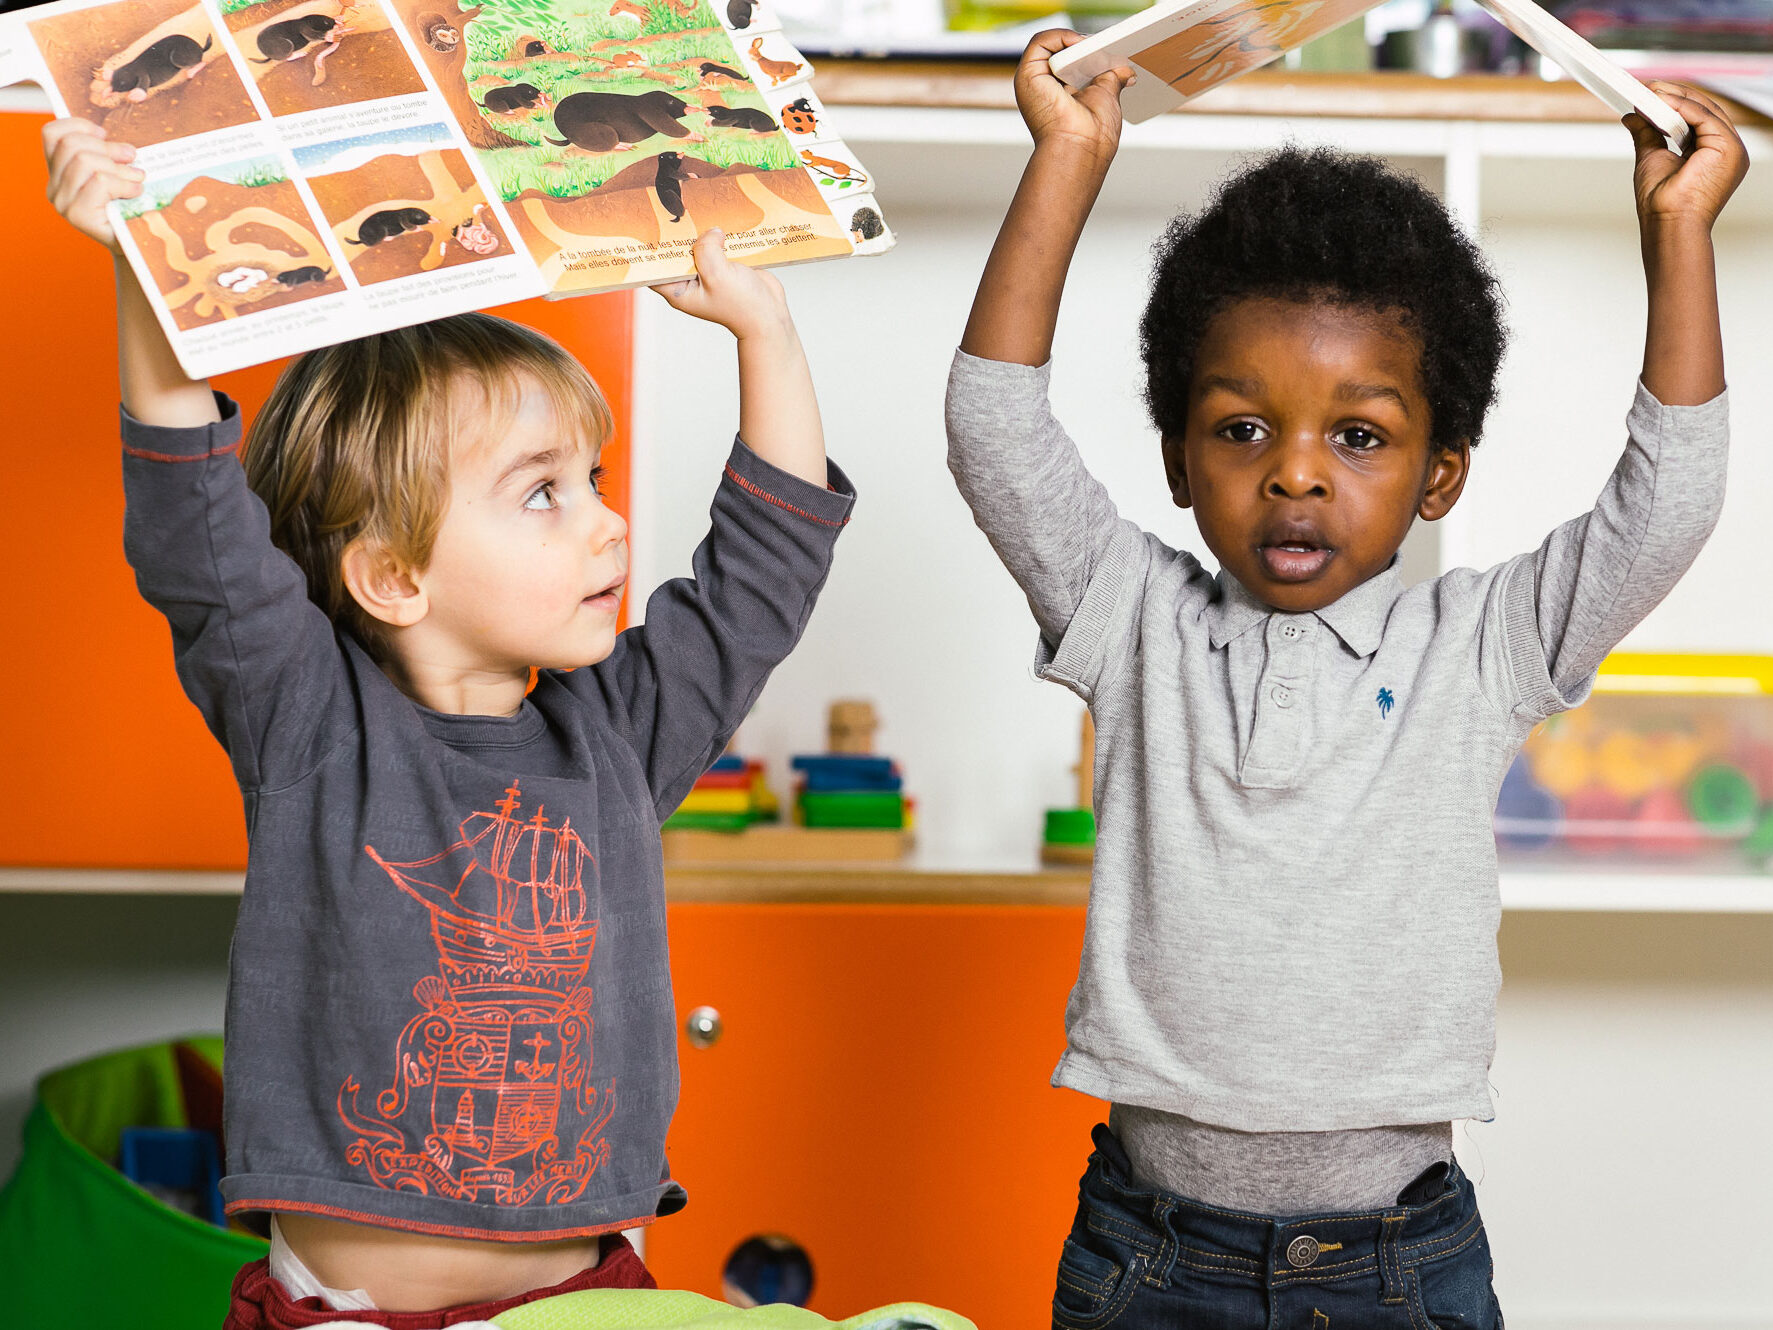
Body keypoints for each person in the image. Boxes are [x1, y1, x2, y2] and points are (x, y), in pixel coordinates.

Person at [946, 33, 1747, 1329]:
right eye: (1242, 427)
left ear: (1440, 474)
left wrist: (1679, 233)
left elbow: (1668, 503)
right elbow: (995, 426)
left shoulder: (1481, 644)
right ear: (1176, 456)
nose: (1296, 471)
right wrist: (1067, 159)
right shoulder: (1129, 616)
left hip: (1393, 1263)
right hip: (1148, 1256)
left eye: (1359, 434)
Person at [43, 117, 853, 1328]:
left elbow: (763, 574)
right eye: (542, 492)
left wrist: (765, 329)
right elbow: (196, 531)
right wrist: (141, 262)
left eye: (593, 478)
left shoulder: (616, 737)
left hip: (587, 1298)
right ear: (393, 577)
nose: (605, 523)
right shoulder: (309, 725)